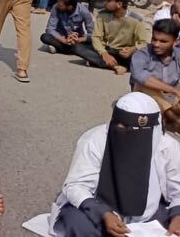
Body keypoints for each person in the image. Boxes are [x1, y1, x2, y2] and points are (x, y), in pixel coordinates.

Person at [48, 92, 180, 237]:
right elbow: (77, 185)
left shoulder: (167, 147)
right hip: (99, 209)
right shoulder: (95, 140)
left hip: (149, 214)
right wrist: (103, 213)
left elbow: (177, 190)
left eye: (140, 132)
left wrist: (177, 217)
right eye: (124, 127)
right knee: (78, 223)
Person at [73, 0, 150, 75]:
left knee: (143, 59)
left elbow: (144, 43)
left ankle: (99, 62)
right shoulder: (102, 15)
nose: (105, 2)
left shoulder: (136, 20)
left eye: (108, 1)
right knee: (77, 47)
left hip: (124, 54)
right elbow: (96, 37)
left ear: (119, 4)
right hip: (107, 49)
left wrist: (133, 49)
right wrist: (104, 54)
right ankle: (116, 66)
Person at [130, 19, 180, 110]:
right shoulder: (142, 54)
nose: (156, 44)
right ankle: (169, 114)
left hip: (172, 97)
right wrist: (173, 90)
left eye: (163, 41)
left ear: (175, 42)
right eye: (154, 39)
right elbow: (140, 76)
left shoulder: (178, 55)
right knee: (143, 83)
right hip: (145, 99)